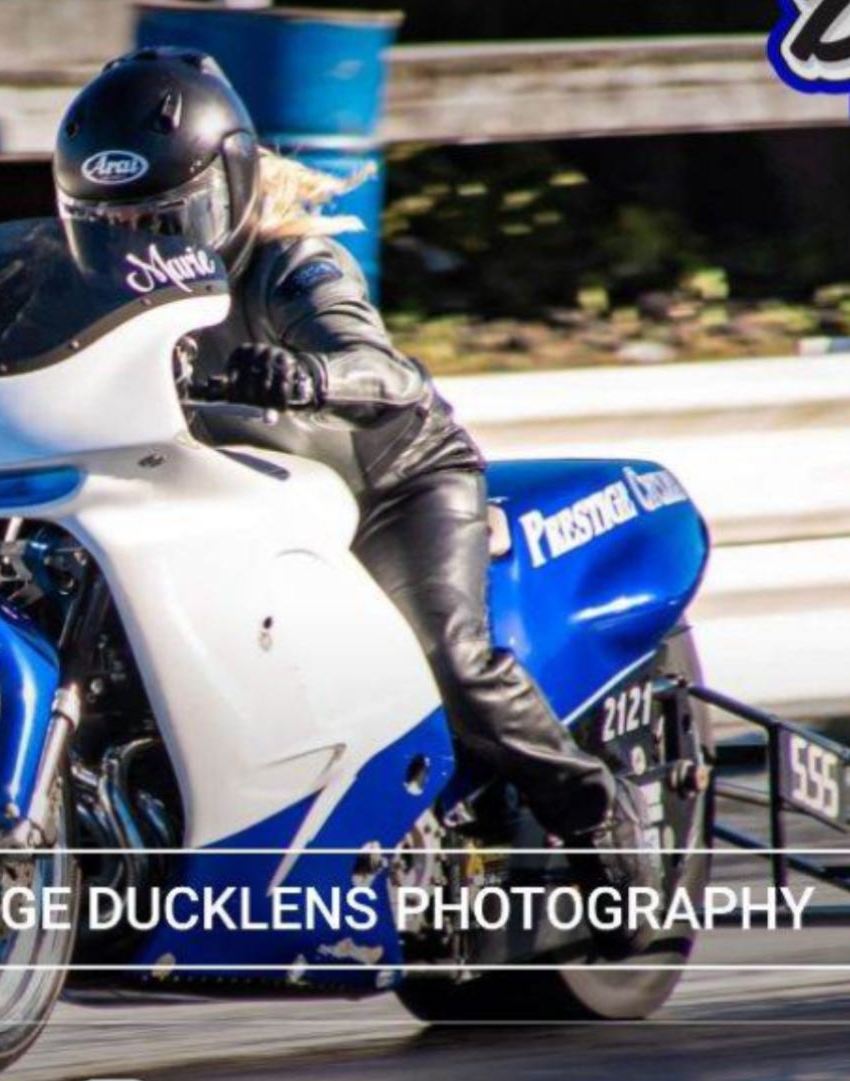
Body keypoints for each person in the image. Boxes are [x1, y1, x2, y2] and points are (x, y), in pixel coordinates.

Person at [52, 48, 660, 918]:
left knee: (447, 657)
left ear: (229, 190)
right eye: (108, 225)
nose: (140, 248)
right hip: (237, 502)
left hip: (386, 487)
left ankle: (598, 817)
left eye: (165, 221)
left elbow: (385, 369)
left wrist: (311, 374)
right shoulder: (81, 288)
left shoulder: (292, 266)